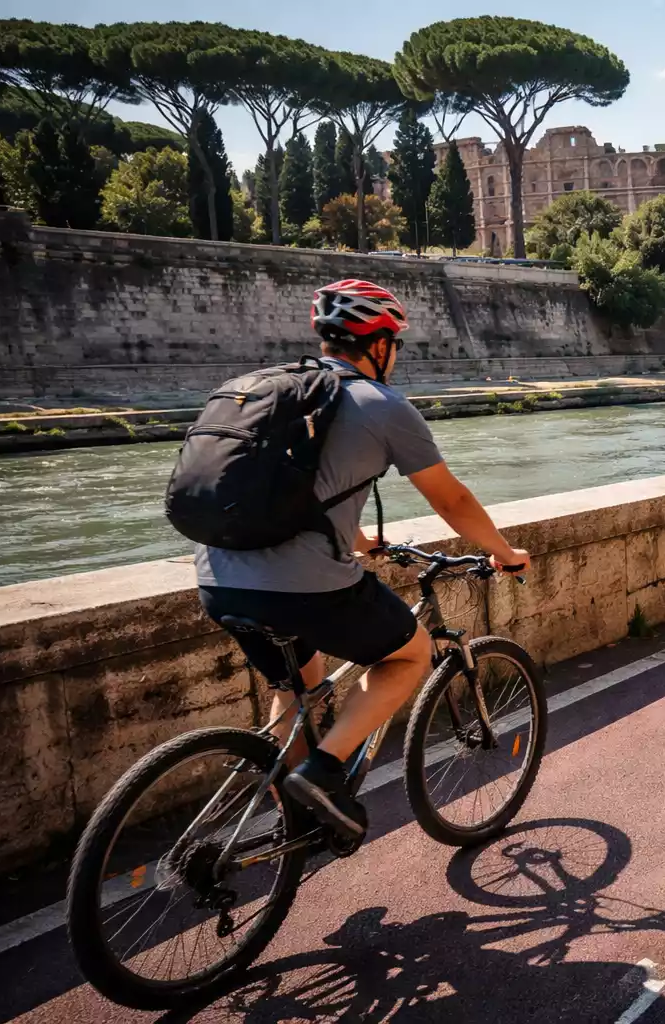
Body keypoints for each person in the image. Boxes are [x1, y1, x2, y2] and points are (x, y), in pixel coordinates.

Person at [196, 279, 531, 838]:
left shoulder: (268, 392)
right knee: (409, 656)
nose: (395, 353)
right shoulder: (381, 405)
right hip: (302, 586)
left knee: (295, 688)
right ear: (378, 343)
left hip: (217, 577)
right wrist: (506, 552)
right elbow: (451, 499)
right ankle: (323, 773)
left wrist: (359, 543)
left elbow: (287, 493)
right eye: (394, 341)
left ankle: (298, 826)